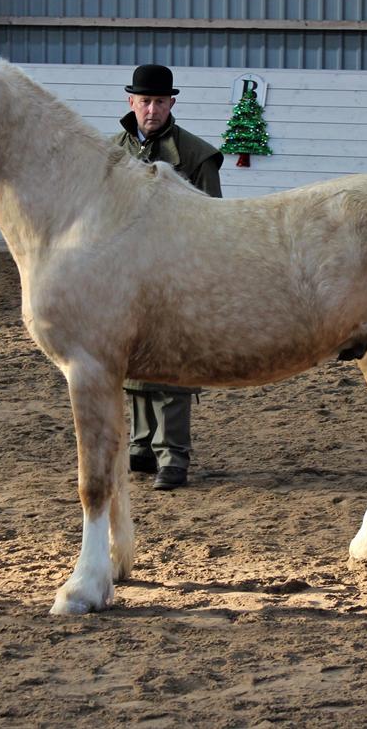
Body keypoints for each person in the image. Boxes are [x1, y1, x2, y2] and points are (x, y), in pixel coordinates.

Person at [110, 64, 224, 490]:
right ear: (131, 103)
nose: (152, 109)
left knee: (172, 365)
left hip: (176, 273)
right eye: (145, 101)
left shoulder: (196, 155)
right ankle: (142, 446)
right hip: (125, 272)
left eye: (160, 102)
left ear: (172, 103)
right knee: (133, 359)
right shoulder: (111, 151)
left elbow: (211, 219)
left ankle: (173, 456)